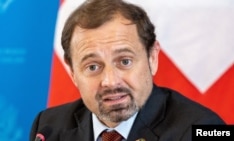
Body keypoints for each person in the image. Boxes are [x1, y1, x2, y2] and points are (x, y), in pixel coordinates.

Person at [30, 0, 226, 141]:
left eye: (124, 61)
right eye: (93, 67)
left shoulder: (202, 127)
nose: (110, 81)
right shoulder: (49, 126)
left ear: (152, 58)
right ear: (72, 72)